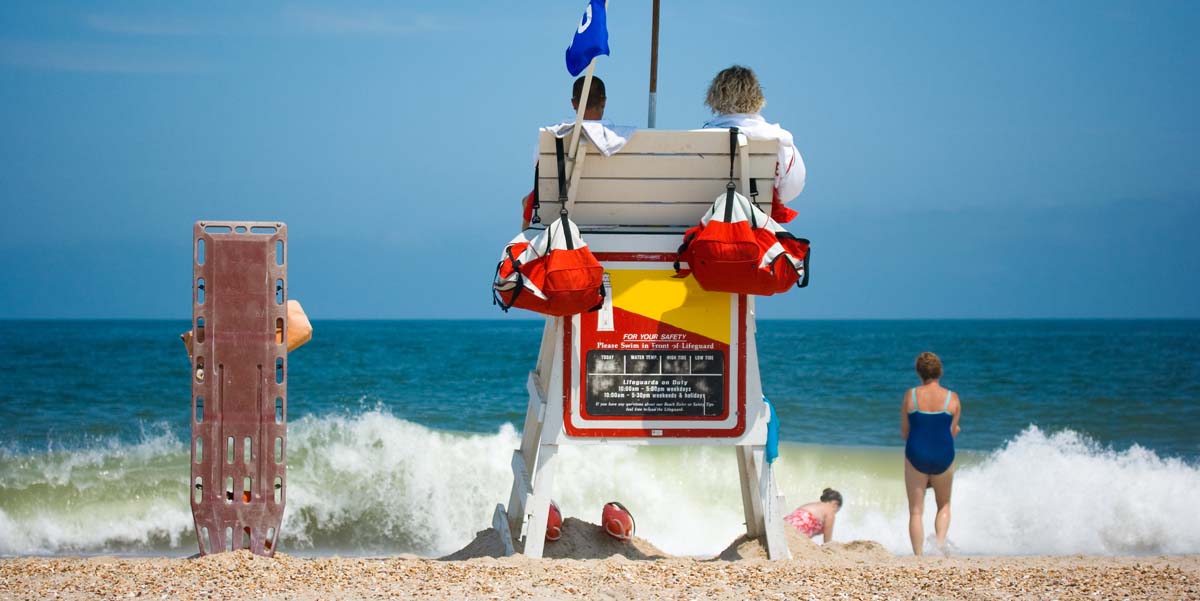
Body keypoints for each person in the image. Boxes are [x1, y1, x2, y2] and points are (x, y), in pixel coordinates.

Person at [701, 65, 807, 223]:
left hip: (709, 225)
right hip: (757, 226)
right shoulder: (780, 140)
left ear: (714, 97)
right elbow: (792, 188)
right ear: (757, 97)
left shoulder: (699, 140)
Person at [901, 351, 962, 556]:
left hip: (917, 453)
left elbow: (905, 432)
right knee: (943, 504)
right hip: (943, 455)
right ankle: (939, 544)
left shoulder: (911, 396)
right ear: (940, 371)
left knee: (916, 511)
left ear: (919, 372)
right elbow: (952, 432)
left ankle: (918, 556)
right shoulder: (952, 398)